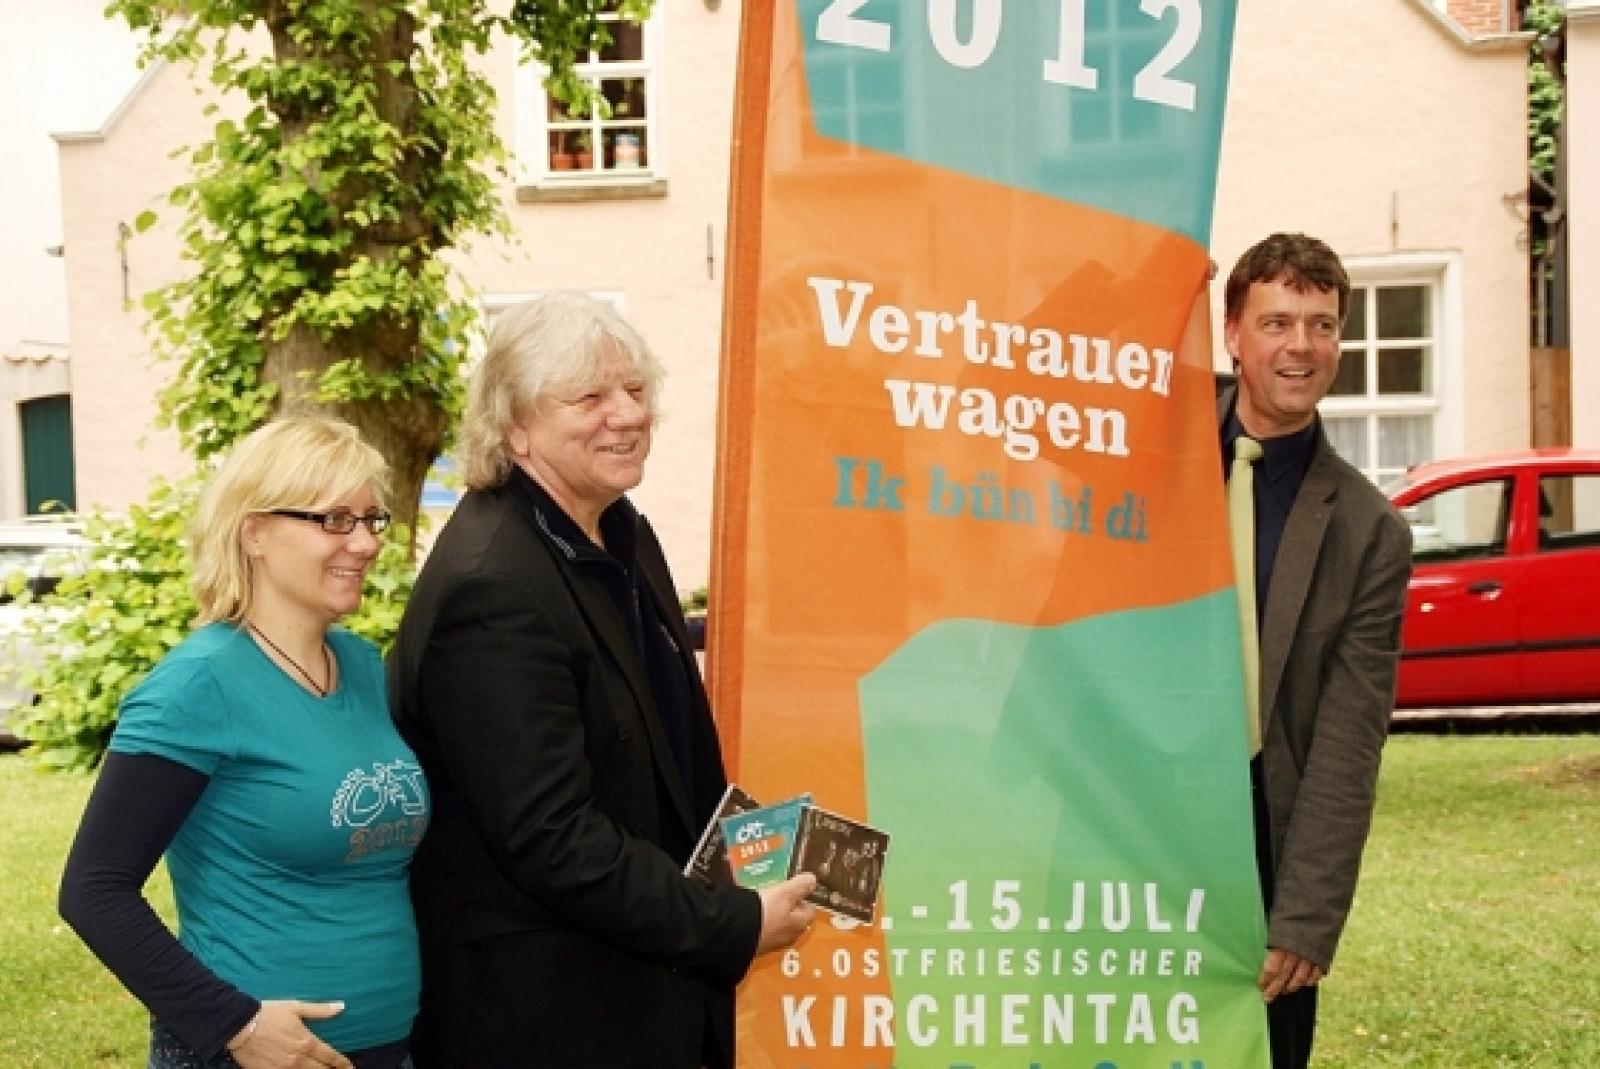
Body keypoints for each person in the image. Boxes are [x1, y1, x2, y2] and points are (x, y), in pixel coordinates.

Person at [388, 293, 816, 1068]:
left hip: (642, 993)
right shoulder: (491, 587)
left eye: (636, 388)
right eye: (589, 397)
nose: (628, 413)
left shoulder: (622, 532)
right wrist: (730, 923)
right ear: (515, 426)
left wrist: (749, 861)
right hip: (548, 1018)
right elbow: (551, 836)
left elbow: (661, 758)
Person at [59, 416, 426, 1069]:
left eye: (372, 519)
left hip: (387, 1046)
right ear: (254, 532)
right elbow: (94, 890)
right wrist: (236, 1023)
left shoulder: (362, 665)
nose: (366, 542)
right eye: (335, 519)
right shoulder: (197, 686)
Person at [1218, 232, 1413, 1068]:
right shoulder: (1147, 444)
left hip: (1264, 843)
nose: (1300, 346)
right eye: (1276, 322)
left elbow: (1347, 742)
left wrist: (1304, 917)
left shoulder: (1371, 532)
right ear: (1232, 333)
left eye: (1322, 325)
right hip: (1124, 820)